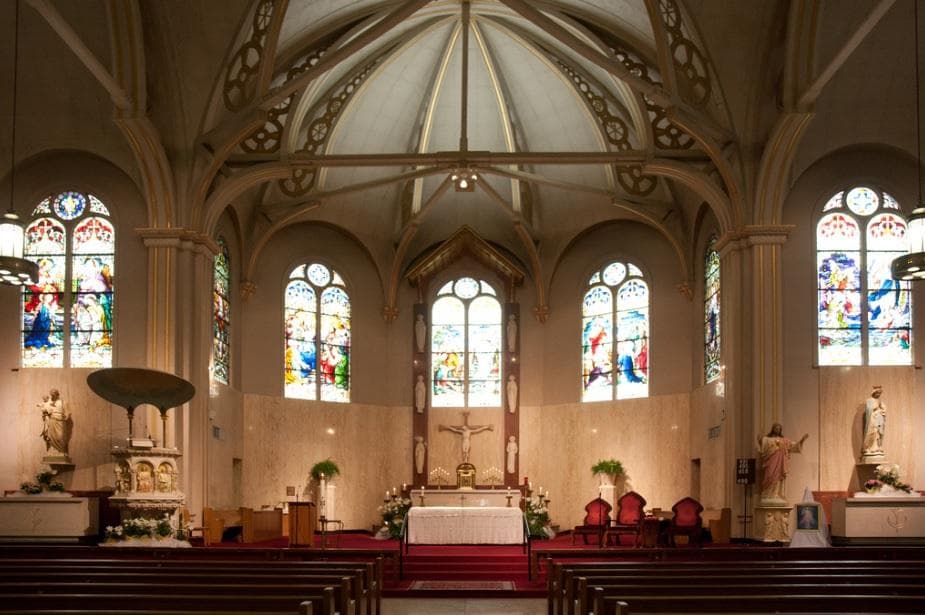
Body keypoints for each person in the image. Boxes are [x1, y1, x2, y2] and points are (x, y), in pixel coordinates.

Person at [756, 423, 808, 504]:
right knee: (769, 476)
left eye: (779, 428)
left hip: (780, 464)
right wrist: (760, 439)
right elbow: (762, 444)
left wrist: (801, 441)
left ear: (780, 430)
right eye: (776, 428)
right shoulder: (768, 439)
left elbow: (794, 446)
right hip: (771, 463)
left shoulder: (784, 441)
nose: (777, 429)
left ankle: (777, 495)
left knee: (779, 478)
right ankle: (768, 495)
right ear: (773, 429)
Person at [39, 388, 72, 456]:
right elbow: (45, 409)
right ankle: (53, 451)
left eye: (53, 395)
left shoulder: (63, 402)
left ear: (57, 394)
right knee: (51, 437)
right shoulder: (50, 402)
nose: (52, 396)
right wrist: (45, 413)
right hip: (52, 420)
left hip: (60, 421)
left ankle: (61, 451)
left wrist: (67, 416)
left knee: (60, 436)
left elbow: (68, 412)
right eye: (51, 395)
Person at [862, 385, 886, 457]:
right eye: (877, 393)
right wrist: (875, 408)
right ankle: (868, 447)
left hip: (878, 418)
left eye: (879, 394)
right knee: (871, 432)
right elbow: (868, 410)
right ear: (874, 393)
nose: (878, 395)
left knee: (878, 433)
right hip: (872, 418)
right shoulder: (869, 400)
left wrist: (883, 410)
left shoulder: (880, 401)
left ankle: (876, 447)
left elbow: (883, 409)